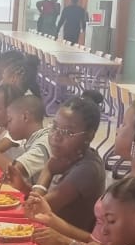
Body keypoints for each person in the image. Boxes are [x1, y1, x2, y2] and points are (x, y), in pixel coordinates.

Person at [23, 97, 104, 230]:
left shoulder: (87, 169)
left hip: (65, 241)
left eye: (68, 132)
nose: (56, 136)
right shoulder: (68, 156)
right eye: (55, 127)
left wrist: (48, 170)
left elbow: (35, 208)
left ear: (89, 136)